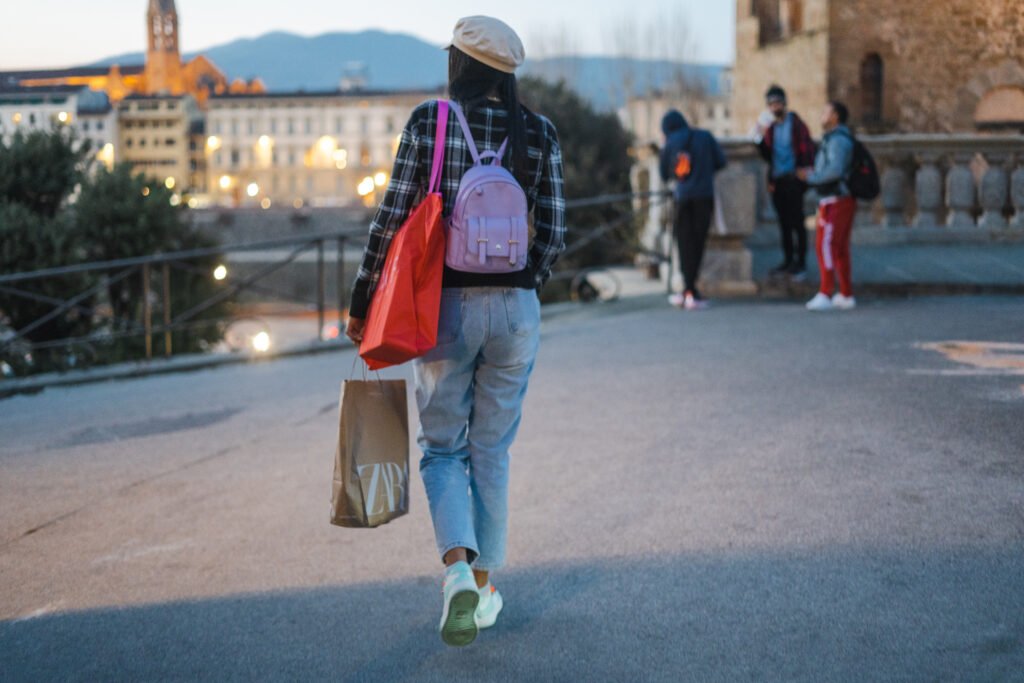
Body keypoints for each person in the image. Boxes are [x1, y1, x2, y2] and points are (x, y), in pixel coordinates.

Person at [345, 16, 565, 647]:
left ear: (458, 65)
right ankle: (487, 584)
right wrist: (520, 286)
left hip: (445, 309)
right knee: (492, 450)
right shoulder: (540, 133)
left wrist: (363, 299)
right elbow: (552, 232)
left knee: (443, 448)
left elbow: (391, 218)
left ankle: (459, 573)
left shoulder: (430, 123)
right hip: (517, 311)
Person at [659, 110, 727, 310]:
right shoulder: (705, 137)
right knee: (698, 243)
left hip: (682, 198)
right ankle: (691, 290)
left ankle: (687, 290)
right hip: (704, 196)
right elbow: (721, 161)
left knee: (684, 243)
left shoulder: (671, 142)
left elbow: (664, 173)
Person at [797, 100, 857, 311]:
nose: (821, 115)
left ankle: (826, 292)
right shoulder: (837, 139)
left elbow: (835, 170)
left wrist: (812, 177)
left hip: (836, 199)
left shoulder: (838, 141)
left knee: (825, 245)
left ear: (835, 117)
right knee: (838, 248)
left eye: (825, 112)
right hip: (839, 198)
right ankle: (846, 294)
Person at [756, 85, 816, 280]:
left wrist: (803, 176)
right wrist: (759, 137)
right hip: (778, 181)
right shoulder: (771, 129)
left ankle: (801, 263)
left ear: (784, 103)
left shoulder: (797, 125)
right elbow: (767, 155)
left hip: (794, 179)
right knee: (783, 224)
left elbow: (807, 150)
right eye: (771, 104)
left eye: (777, 103)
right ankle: (788, 260)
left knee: (797, 222)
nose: (775, 107)